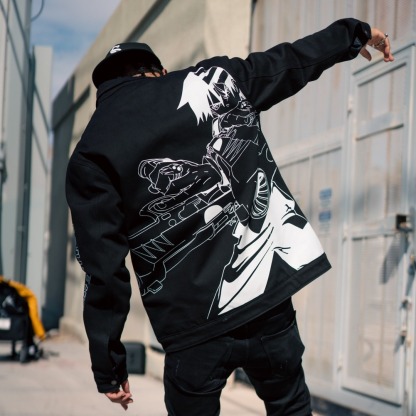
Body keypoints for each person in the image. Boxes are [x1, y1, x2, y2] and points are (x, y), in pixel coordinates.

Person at [65, 18, 393, 415]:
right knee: (290, 405)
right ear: (160, 72)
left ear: (103, 92)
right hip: (266, 301)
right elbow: (287, 63)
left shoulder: (91, 151)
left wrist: (109, 366)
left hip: (191, 327)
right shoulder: (212, 80)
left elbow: (102, 267)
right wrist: (352, 35)